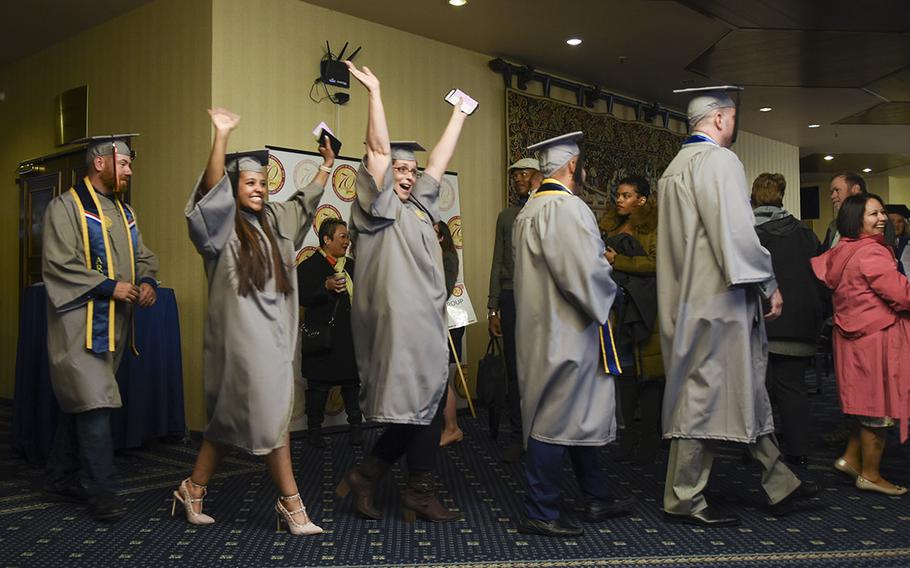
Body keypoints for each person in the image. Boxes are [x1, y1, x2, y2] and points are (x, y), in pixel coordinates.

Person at [657, 88, 817, 528]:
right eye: (734, 117)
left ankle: (779, 479)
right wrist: (768, 282)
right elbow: (738, 233)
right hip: (719, 299)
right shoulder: (719, 162)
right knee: (704, 396)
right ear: (723, 119)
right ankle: (684, 497)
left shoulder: (675, 169)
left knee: (740, 389)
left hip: (688, 299)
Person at [177, 108, 331, 535]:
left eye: (263, 182)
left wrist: (327, 167)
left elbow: (304, 204)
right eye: (249, 182)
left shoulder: (275, 221)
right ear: (233, 187)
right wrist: (221, 135)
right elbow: (209, 193)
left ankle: (192, 488)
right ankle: (292, 505)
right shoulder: (221, 226)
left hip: (276, 339)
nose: (259, 188)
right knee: (270, 419)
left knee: (228, 423)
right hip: (240, 343)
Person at [336, 62, 470, 522]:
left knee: (425, 405)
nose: (409, 175)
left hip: (424, 323)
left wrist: (459, 116)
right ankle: (415, 490)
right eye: (399, 168)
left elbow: (440, 163)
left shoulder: (417, 206)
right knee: (423, 406)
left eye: (411, 169)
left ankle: (369, 477)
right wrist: (375, 92)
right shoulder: (378, 203)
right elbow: (375, 146)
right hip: (396, 325)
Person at [513, 131, 634, 538]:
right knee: (555, 417)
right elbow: (583, 273)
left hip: (541, 327)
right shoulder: (567, 208)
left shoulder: (530, 209)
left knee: (576, 413)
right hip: (568, 330)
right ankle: (541, 509)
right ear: (571, 166)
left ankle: (596, 496)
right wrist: (610, 283)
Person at [42, 135, 159, 521]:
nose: (129, 170)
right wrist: (111, 286)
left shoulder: (124, 213)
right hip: (79, 323)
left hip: (114, 326)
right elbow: (60, 263)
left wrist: (147, 282)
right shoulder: (65, 207)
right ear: (100, 162)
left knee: (82, 402)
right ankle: (104, 492)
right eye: (124, 163)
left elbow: (142, 256)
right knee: (95, 402)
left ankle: (60, 477)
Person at [811, 193, 910, 496]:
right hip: (875, 340)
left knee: (863, 407)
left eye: (882, 212)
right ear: (856, 220)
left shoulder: (843, 250)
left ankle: (851, 459)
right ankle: (870, 474)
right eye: (873, 214)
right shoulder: (873, 253)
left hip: (851, 338)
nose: (882, 219)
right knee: (877, 411)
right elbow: (902, 295)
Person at [751, 173, 824, 468]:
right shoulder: (805, 233)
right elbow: (820, 277)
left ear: (753, 197)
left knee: (759, 390)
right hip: (801, 323)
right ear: (783, 196)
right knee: (793, 388)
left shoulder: (748, 234)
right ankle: (799, 449)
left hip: (763, 322)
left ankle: (760, 451)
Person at [600, 175, 664, 465]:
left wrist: (620, 261)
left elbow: (658, 262)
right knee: (624, 374)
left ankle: (650, 440)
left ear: (642, 199)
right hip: (616, 308)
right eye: (618, 194)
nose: (619, 199)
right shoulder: (608, 225)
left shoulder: (654, 227)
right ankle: (627, 438)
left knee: (649, 376)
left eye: (626, 195)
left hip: (646, 308)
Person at [488, 158, 543, 461]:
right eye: (515, 174)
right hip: (510, 296)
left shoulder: (548, 209)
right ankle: (516, 433)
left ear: (538, 175)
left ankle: (542, 434)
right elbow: (497, 261)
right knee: (513, 368)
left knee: (538, 366)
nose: (518, 178)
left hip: (538, 297)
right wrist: (492, 307)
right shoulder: (506, 216)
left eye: (524, 173)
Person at [298, 218, 363, 448]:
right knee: (318, 387)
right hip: (322, 339)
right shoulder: (308, 266)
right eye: (342, 236)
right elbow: (300, 297)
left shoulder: (352, 266)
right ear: (326, 240)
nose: (347, 241)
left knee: (352, 385)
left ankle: (357, 429)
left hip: (349, 338)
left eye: (347, 236)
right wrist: (323, 288)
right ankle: (314, 432)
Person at [438, 221, 466, 447]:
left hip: (446, 322)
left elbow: (443, 291)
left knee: (439, 377)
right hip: (434, 322)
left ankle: (451, 426)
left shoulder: (446, 257)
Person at [885, 204, 910, 274]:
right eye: (892, 221)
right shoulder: (878, 243)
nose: (896, 225)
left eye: (900, 221)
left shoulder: (908, 242)